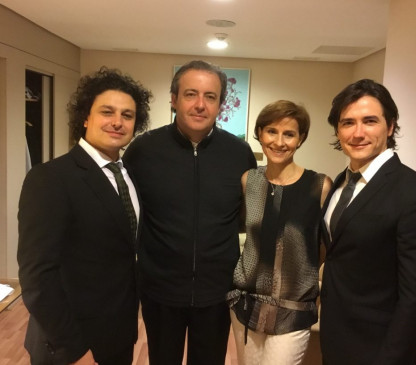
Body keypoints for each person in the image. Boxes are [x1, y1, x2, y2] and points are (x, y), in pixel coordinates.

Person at [123, 60, 257, 365]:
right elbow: (124, 214)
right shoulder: (142, 151)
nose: (200, 105)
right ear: (173, 99)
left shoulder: (239, 153)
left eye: (210, 97)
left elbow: (247, 215)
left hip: (217, 291)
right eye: (190, 94)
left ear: (221, 104)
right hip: (159, 290)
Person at [17, 67, 152, 365]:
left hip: (118, 334)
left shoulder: (128, 175)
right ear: (86, 117)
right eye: (107, 111)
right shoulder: (51, 178)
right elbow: (37, 276)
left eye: (127, 115)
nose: (117, 122)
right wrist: (74, 350)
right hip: (70, 343)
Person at [320, 79, 416, 365]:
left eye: (370, 121)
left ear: (390, 126)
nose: (358, 133)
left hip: (381, 352)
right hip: (337, 342)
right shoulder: (341, 183)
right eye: (347, 123)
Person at [227, 100, 332, 365]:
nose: (279, 141)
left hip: (293, 309)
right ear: (260, 134)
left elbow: (321, 248)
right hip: (245, 306)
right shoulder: (248, 181)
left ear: (301, 139)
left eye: (289, 134)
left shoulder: (319, 186)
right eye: (272, 131)